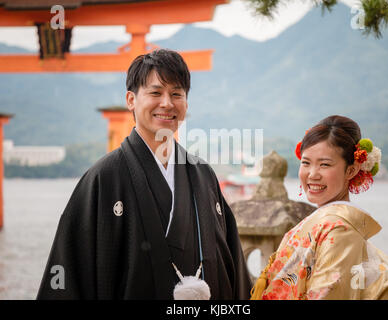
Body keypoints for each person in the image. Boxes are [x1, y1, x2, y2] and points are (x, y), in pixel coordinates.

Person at [37, 49, 251, 300]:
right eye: (156, 92)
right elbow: (69, 274)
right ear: (131, 100)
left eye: (176, 94)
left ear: (186, 103)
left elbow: (232, 266)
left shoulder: (203, 176)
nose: (167, 104)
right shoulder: (103, 178)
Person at [251, 115, 388, 300]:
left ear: (351, 170)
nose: (312, 174)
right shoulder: (328, 221)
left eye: (325, 165)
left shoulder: (340, 230)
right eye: (306, 163)